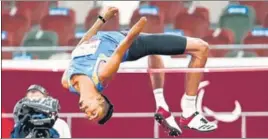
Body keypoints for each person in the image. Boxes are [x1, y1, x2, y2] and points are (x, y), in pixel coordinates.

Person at [61, 6, 217, 136]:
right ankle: (189, 112)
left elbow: (82, 45)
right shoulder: (102, 74)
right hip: (130, 43)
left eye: (89, 116)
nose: (87, 114)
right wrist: (140, 26)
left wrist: (101, 19)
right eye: (93, 113)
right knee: (201, 48)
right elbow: (125, 45)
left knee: (155, 51)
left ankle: (162, 105)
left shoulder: (67, 82)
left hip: (116, 37)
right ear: (99, 99)